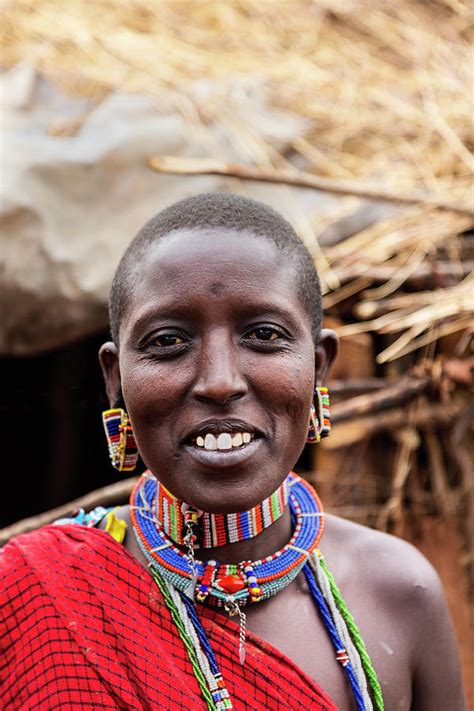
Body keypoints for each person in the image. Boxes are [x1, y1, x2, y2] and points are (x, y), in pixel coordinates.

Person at [0, 193, 466, 710]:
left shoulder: (400, 593)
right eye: (167, 341)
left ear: (319, 369)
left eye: (264, 335)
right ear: (116, 381)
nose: (219, 382)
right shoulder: (28, 593)